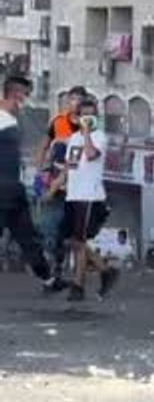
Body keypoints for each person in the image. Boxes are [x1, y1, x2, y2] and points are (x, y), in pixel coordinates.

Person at [0, 75, 65, 294]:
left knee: (28, 236)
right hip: (3, 190)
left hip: (14, 190)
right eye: (25, 96)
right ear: (16, 95)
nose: (26, 102)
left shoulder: (11, 120)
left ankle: (48, 279)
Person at [60, 98, 118, 302]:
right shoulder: (73, 138)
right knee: (71, 240)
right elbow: (71, 164)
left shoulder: (98, 137)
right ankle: (105, 270)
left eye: (91, 115)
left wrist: (86, 133)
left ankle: (78, 286)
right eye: (84, 115)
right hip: (73, 194)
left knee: (80, 240)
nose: (87, 118)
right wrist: (56, 185)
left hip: (89, 196)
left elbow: (91, 154)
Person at [35, 86, 86, 279]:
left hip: (77, 184)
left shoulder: (88, 126)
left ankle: (69, 264)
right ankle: (56, 262)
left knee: (73, 229)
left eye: (80, 99)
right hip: (56, 182)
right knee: (52, 225)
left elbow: (77, 161)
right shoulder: (58, 122)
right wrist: (40, 171)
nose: (77, 103)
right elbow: (43, 146)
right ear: (68, 101)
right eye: (73, 99)